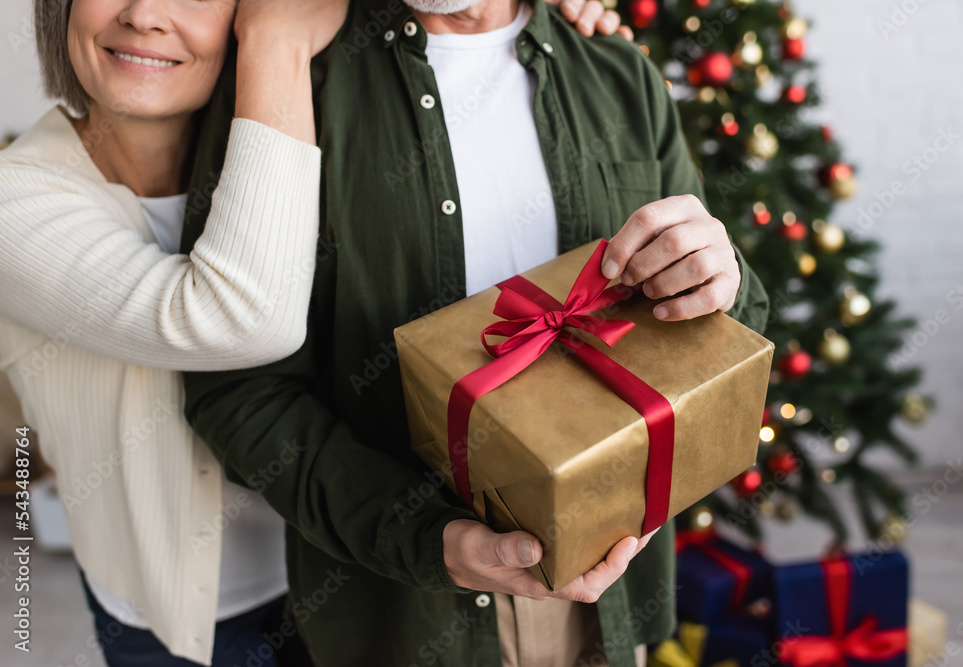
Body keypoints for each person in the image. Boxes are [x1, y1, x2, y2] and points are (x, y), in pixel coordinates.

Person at [0, 1, 631, 665]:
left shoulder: (308, 118)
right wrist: (275, 37)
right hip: (190, 623)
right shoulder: (16, 204)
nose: (145, 15)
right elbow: (245, 320)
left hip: (354, 579)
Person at [181, 0, 771, 665]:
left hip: (606, 607)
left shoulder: (616, 70)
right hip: (399, 621)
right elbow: (236, 390)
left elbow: (717, 320)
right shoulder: (287, 76)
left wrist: (723, 279)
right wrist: (428, 538)